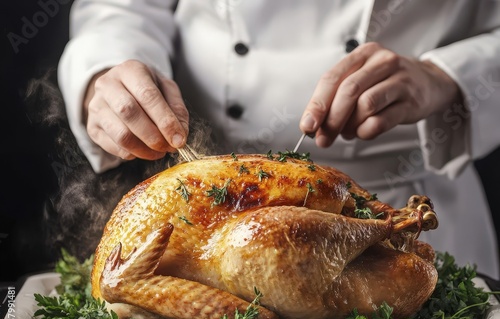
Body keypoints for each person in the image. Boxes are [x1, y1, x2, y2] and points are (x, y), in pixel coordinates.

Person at [58, 0, 500, 279]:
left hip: (414, 211)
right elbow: (120, 9)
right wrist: (107, 69)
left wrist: (448, 75)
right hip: (210, 210)